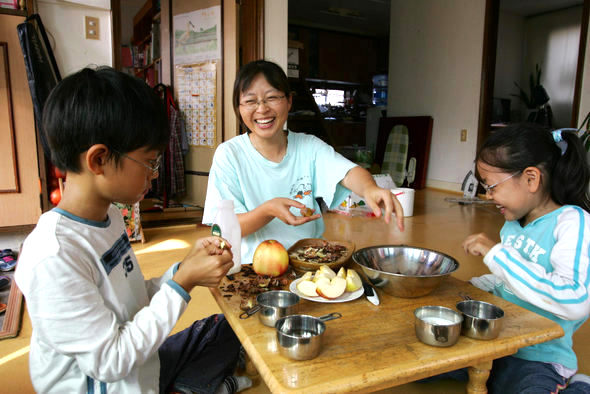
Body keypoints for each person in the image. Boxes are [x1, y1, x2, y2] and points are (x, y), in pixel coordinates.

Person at [15, 67, 251, 394]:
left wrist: (183, 271)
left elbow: (134, 303)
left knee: (231, 327)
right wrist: (182, 284)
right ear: (99, 160)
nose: (154, 175)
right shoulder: (54, 258)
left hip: (142, 368)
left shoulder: (109, 216)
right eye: (150, 163)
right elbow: (111, 361)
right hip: (114, 380)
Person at [203, 60, 404, 264]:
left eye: (272, 97)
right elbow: (226, 229)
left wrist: (370, 188)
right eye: (250, 101)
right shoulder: (229, 155)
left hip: (310, 260)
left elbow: (348, 172)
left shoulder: (309, 147)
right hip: (253, 267)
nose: (262, 109)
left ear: (289, 101)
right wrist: (268, 210)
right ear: (238, 107)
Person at [448, 123, 590, 393]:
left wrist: (497, 255)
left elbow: (575, 300)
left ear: (531, 179)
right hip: (497, 341)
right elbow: (511, 280)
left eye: (491, 187)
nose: (488, 197)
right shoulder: (513, 223)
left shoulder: (572, 223)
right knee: (422, 362)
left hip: (539, 358)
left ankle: (581, 387)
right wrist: (471, 287)